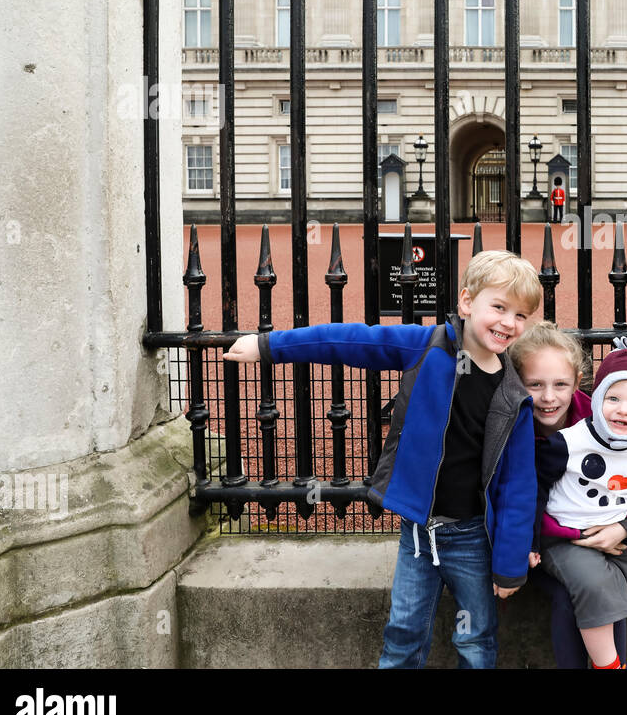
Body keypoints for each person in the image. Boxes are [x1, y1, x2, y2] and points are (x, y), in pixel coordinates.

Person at [222, 250, 541, 668]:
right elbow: (349, 341)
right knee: (403, 633)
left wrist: (510, 565)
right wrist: (268, 346)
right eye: (498, 307)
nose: (507, 323)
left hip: (473, 538)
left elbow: (518, 485)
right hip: (416, 534)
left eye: (519, 315)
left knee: (475, 638)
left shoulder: (512, 395)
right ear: (466, 302)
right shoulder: (426, 346)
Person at [509, 321, 627, 668]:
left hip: (600, 535)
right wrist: (574, 535)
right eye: (535, 385)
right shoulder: (509, 424)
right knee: (582, 591)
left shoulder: (599, 416)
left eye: (560, 385)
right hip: (539, 545)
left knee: (605, 586)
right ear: (518, 383)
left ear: (577, 382)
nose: (548, 397)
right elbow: (514, 502)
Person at [534, 339, 627, 669]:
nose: (624, 409)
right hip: (569, 537)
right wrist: (529, 541)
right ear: (596, 400)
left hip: (620, 528)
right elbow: (535, 490)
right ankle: (609, 666)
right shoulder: (568, 443)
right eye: (613, 399)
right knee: (597, 586)